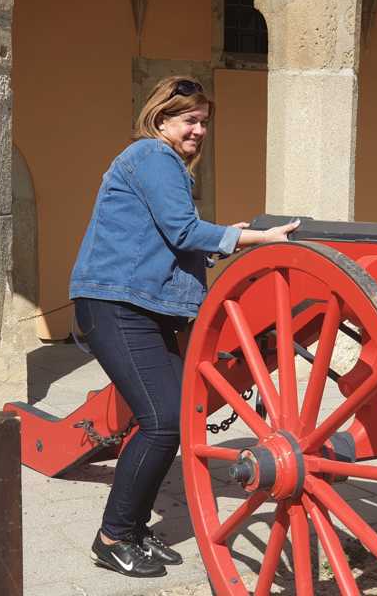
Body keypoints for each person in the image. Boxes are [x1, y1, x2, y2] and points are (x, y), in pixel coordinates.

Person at [69, 76, 299, 578]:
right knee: (162, 420)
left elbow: (172, 236)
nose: (199, 130)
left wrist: (228, 235)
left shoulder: (158, 161)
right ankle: (112, 537)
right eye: (189, 120)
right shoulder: (154, 155)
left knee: (171, 418)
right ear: (161, 118)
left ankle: (132, 529)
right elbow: (183, 230)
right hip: (117, 304)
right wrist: (259, 239)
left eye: (204, 122)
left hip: (140, 306)